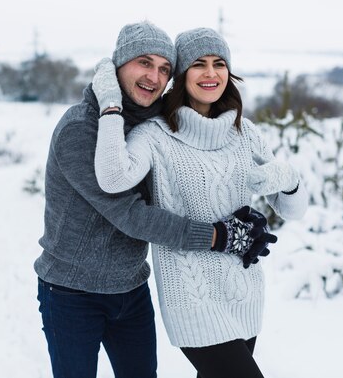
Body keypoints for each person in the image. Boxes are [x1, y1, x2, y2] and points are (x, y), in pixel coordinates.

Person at [34, 22, 275, 378]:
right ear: (118, 66)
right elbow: (130, 214)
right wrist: (219, 236)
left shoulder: (156, 122)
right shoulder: (80, 128)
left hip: (131, 288)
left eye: (164, 69)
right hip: (71, 292)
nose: (154, 76)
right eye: (143, 63)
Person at [93, 27, 309, 378]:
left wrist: (289, 179)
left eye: (219, 63)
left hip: (244, 291)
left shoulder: (246, 132)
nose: (211, 73)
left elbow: (294, 211)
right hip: (191, 298)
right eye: (199, 64)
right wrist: (110, 104)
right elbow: (113, 178)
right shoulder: (155, 135)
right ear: (181, 76)